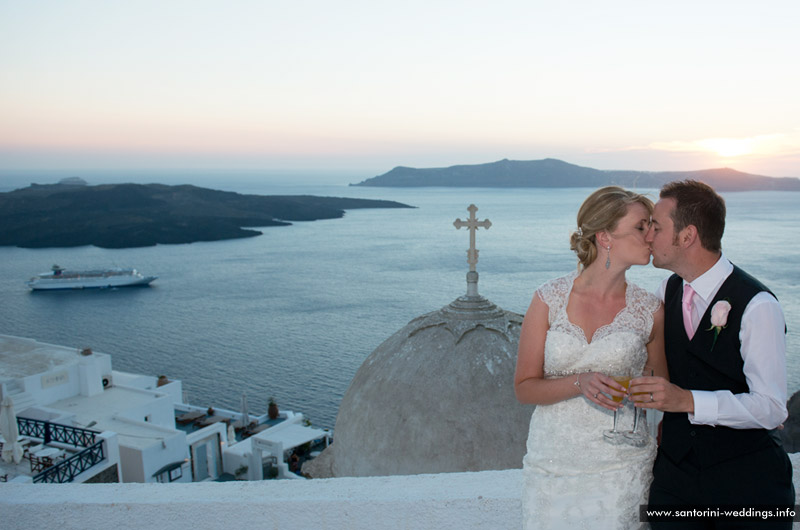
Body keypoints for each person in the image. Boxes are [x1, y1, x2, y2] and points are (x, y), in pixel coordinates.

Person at [630, 180, 794, 529]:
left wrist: (688, 401)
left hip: (749, 484)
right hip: (674, 481)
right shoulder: (667, 289)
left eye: (657, 228)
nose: (648, 237)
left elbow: (771, 407)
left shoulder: (758, 305)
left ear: (687, 236)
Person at [515, 186, 668, 529]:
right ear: (605, 237)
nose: (651, 236)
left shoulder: (650, 309)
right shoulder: (548, 299)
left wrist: (647, 391)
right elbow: (524, 388)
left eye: (652, 226)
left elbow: (661, 388)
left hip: (621, 466)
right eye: (641, 227)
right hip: (552, 465)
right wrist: (579, 383)